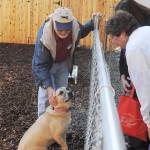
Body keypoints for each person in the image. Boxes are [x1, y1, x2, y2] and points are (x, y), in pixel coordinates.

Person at [32, 7, 94, 117]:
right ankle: (43, 124)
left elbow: (82, 31)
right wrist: (49, 87)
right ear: (54, 23)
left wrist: (93, 22)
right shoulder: (44, 36)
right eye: (60, 29)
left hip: (64, 62)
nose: (64, 32)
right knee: (46, 95)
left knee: (62, 93)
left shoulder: (75, 26)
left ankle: (59, 121)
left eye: (67, 29)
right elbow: (40, 65)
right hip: (47, 65)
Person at [105, 10, 150, 150]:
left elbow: (144, 87)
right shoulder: (145, 30)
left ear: (124, 33)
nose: (112, 41)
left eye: (113, 37)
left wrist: (148, 122)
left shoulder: (133, 48)